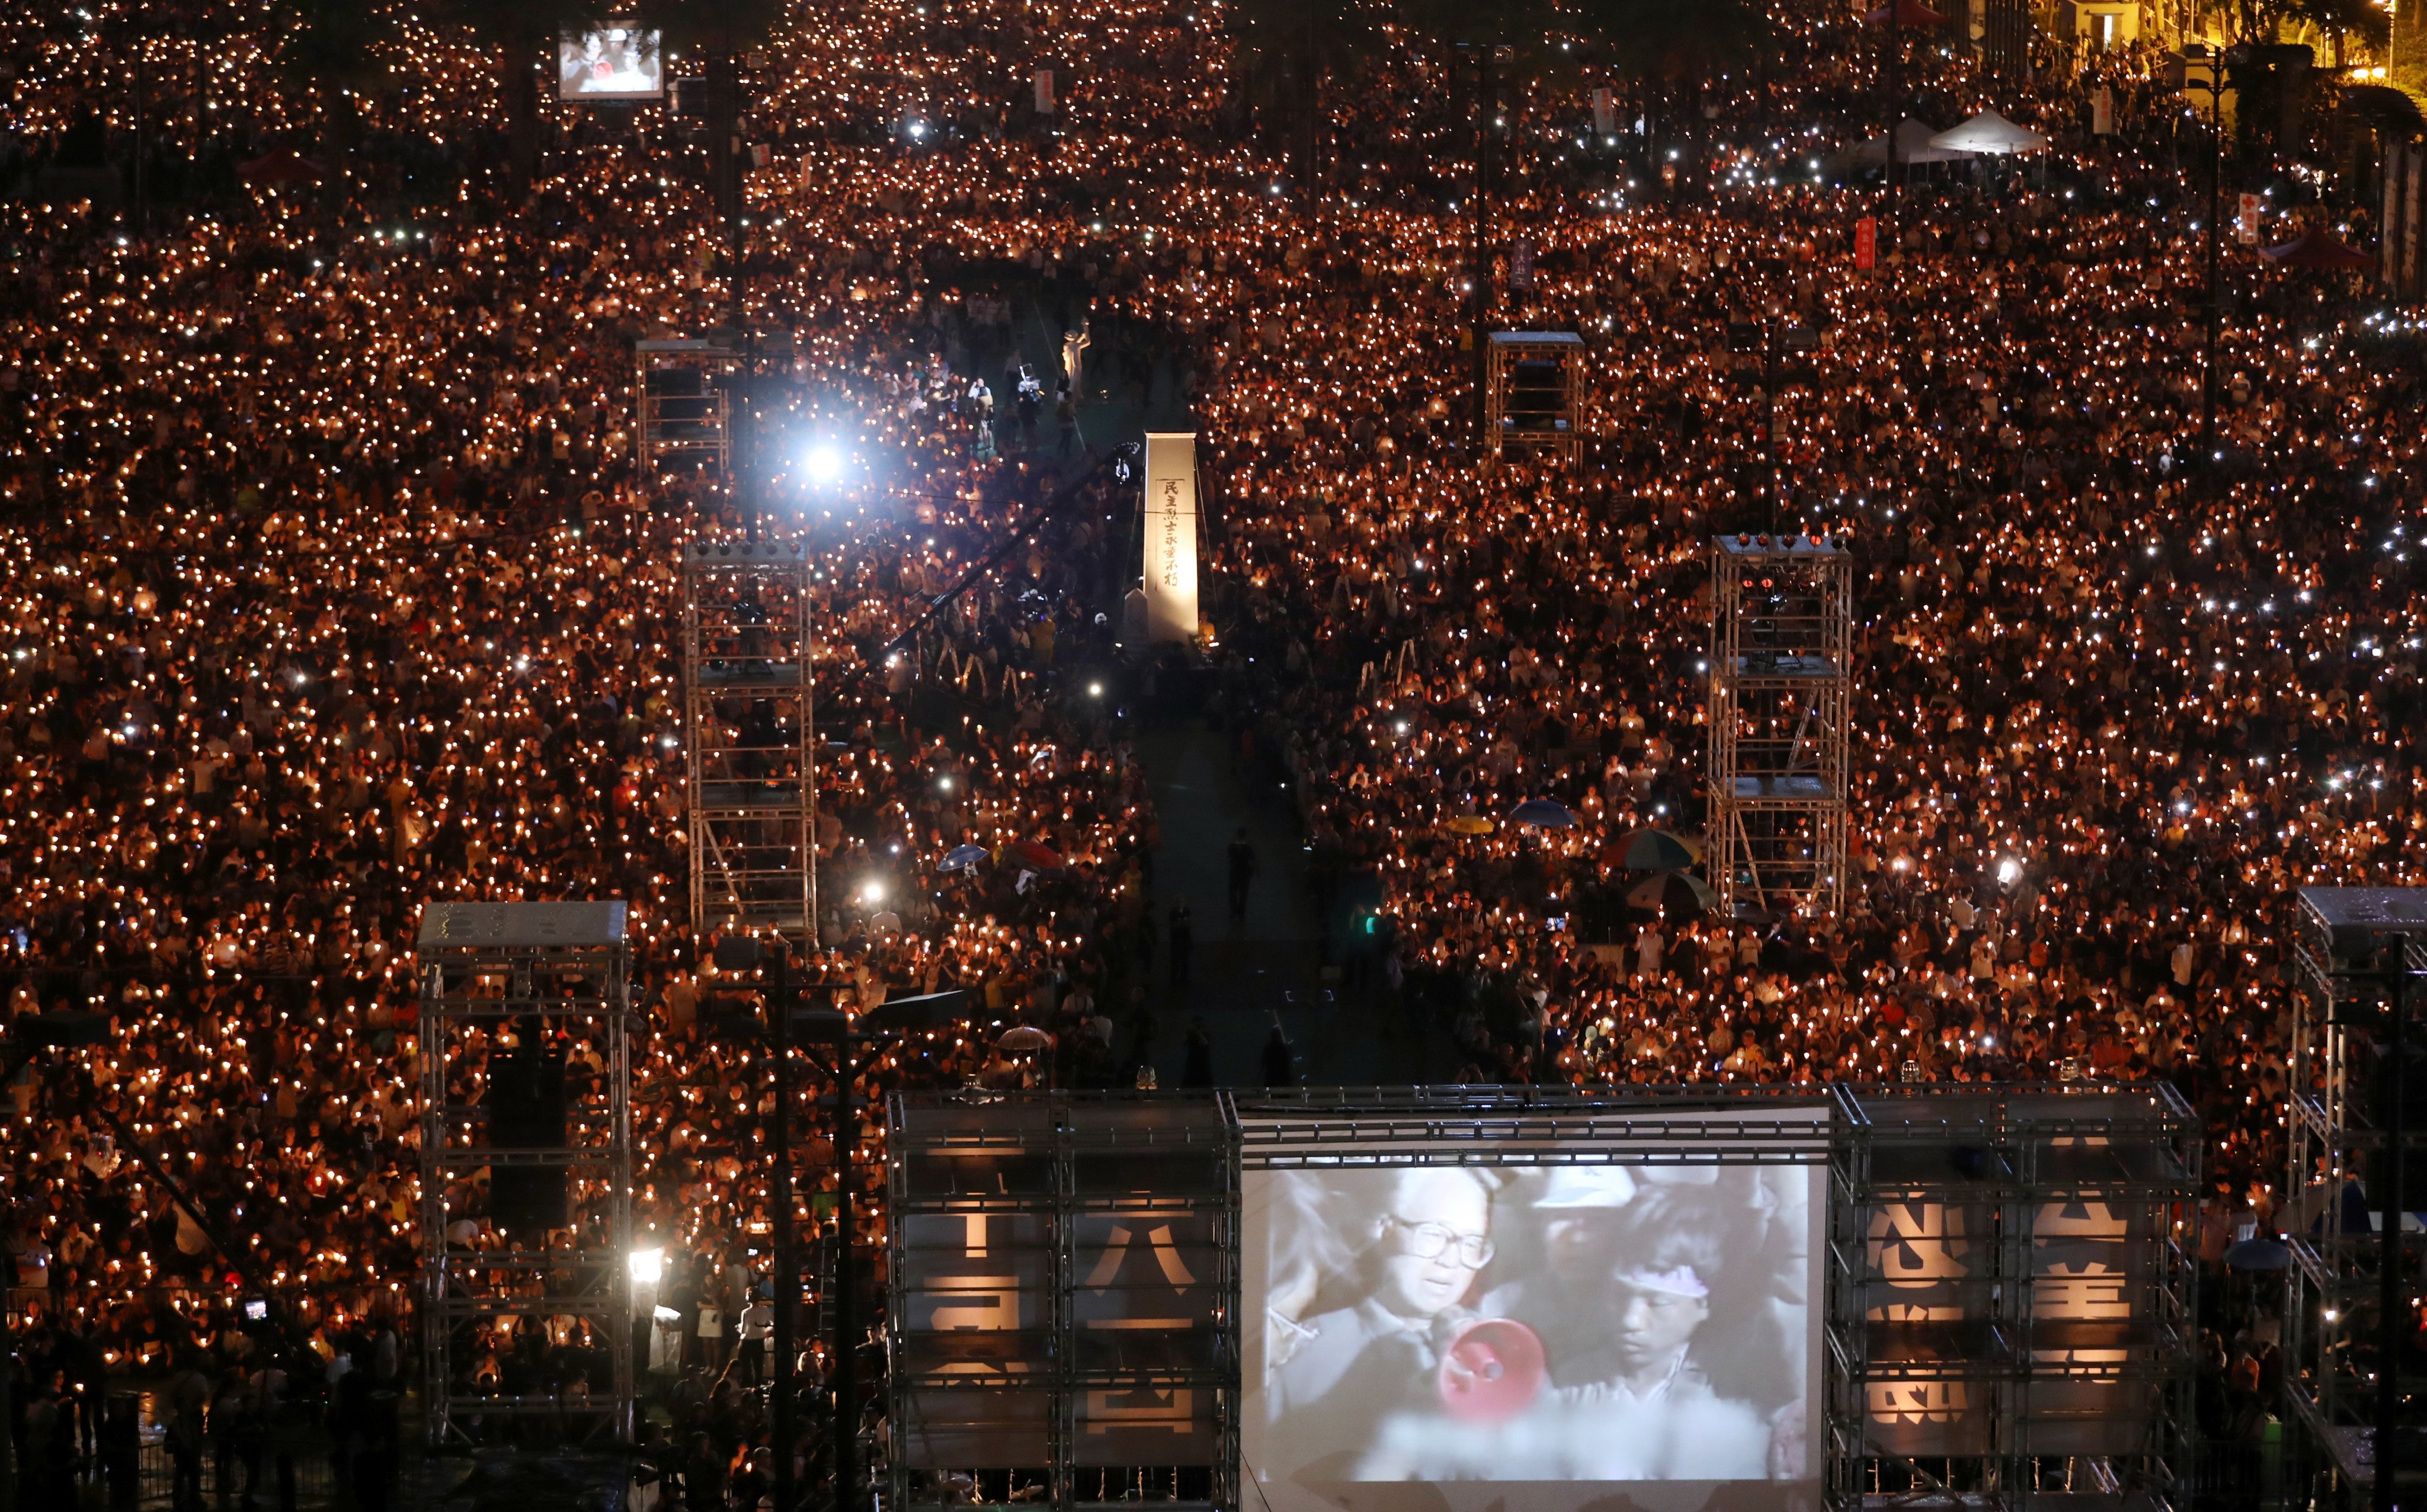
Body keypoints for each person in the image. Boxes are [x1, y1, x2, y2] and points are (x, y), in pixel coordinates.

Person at [1266, 1167, 1500, 1482]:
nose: (1451, 1259)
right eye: (1433, 1234)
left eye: (1472, 1243)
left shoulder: (1496, 1353)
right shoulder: (1297, 1346)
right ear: (1384, 1228)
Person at [1227, 827, 1257, 927]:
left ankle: (1234, 912)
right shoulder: (1248, 848)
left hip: (1234, 874)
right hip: (1245, 875)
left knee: (1233, 894)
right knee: (1243, 895)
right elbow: (1252, 861)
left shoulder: (1231, 847)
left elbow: (1229, 857)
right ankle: (1241, 914)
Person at [1168, 899, 1195, 988]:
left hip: (1184, 941)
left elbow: (1189, 923)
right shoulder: (1174, 912)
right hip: (1177, 941)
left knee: (1185, 961)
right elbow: (1175, 925)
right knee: (1176, 961)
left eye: (1182, 901)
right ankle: (1175, 980)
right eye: (1179, 901)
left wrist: (1180, 923)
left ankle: (1183, 978)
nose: (1181, 903)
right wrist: (1184, 922)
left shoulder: (1186, 911)